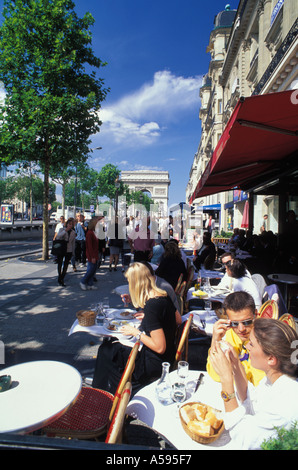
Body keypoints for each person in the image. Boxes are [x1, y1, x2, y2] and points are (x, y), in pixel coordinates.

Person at [210, 318, 298, 450]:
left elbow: (245, 438)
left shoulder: (286, 402)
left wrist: (226, 379)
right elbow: (251, 402)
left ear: (271, 359)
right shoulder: (275, 379)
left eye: (251, 344)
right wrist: (236, 365)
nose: (246, 347)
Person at [92, 262, 177, 395]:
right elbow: (177, 319)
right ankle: (105, 389)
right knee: (110, 346)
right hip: (169, 354)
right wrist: (146, 316)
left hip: (155, 363)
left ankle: (106, 393)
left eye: (129, 282)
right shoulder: (163, 295)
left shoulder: (152, 307)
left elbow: (160, 347)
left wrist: (136, 333)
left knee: (106, 350)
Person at [207, 291, 265, 386]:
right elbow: (215, 374)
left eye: (246, 322)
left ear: (256, 314)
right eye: (235, 323)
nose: (241, 329)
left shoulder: (264, 341)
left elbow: (257, 384)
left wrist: (231, 370)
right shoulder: (232, 333)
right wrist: (215, 341)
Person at [80, 217, 100, 291]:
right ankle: (83, 281)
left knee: (93, 269)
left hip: (94, 253)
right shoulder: (90, 233)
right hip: (92, 254)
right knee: (91, 269)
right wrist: (92, 257)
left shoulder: (93, 232)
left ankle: (90, 283)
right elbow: (89, 246)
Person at [55, 218, 76, 287]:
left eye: (71, 225)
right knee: (60, 263)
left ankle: (62, 278)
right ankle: (59, 276)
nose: (70, 226)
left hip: (68, 250)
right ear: (66, 224)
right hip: (61, 249)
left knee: (66, 265)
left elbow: (73, 243)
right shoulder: (62, 229)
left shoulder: (73, 232)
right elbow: (58, 237)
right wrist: (65, 231)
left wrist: (73, 252)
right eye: (69, 224)